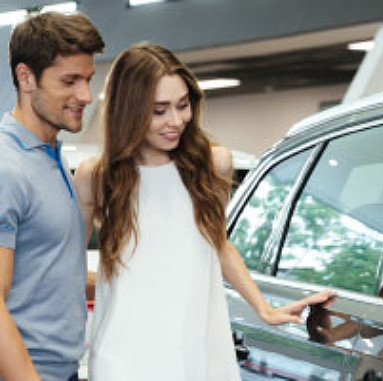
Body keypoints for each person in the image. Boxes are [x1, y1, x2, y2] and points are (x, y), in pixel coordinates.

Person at [73, 43, 336, 380]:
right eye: (159, 110)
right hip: (122, 355)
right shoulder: (94, 177)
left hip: (196, 348)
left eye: (183, 106)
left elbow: (217, 243)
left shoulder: (212, 164)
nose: (175, 121)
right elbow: (69, 269)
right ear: (128, 110)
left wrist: (264, 309)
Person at [0, 12, 104, 381]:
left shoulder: (49, 154)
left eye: (87, 79)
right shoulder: (6, 166)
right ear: (25, 77)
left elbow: (48, 269)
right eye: (70, 81)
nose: (86, 96)